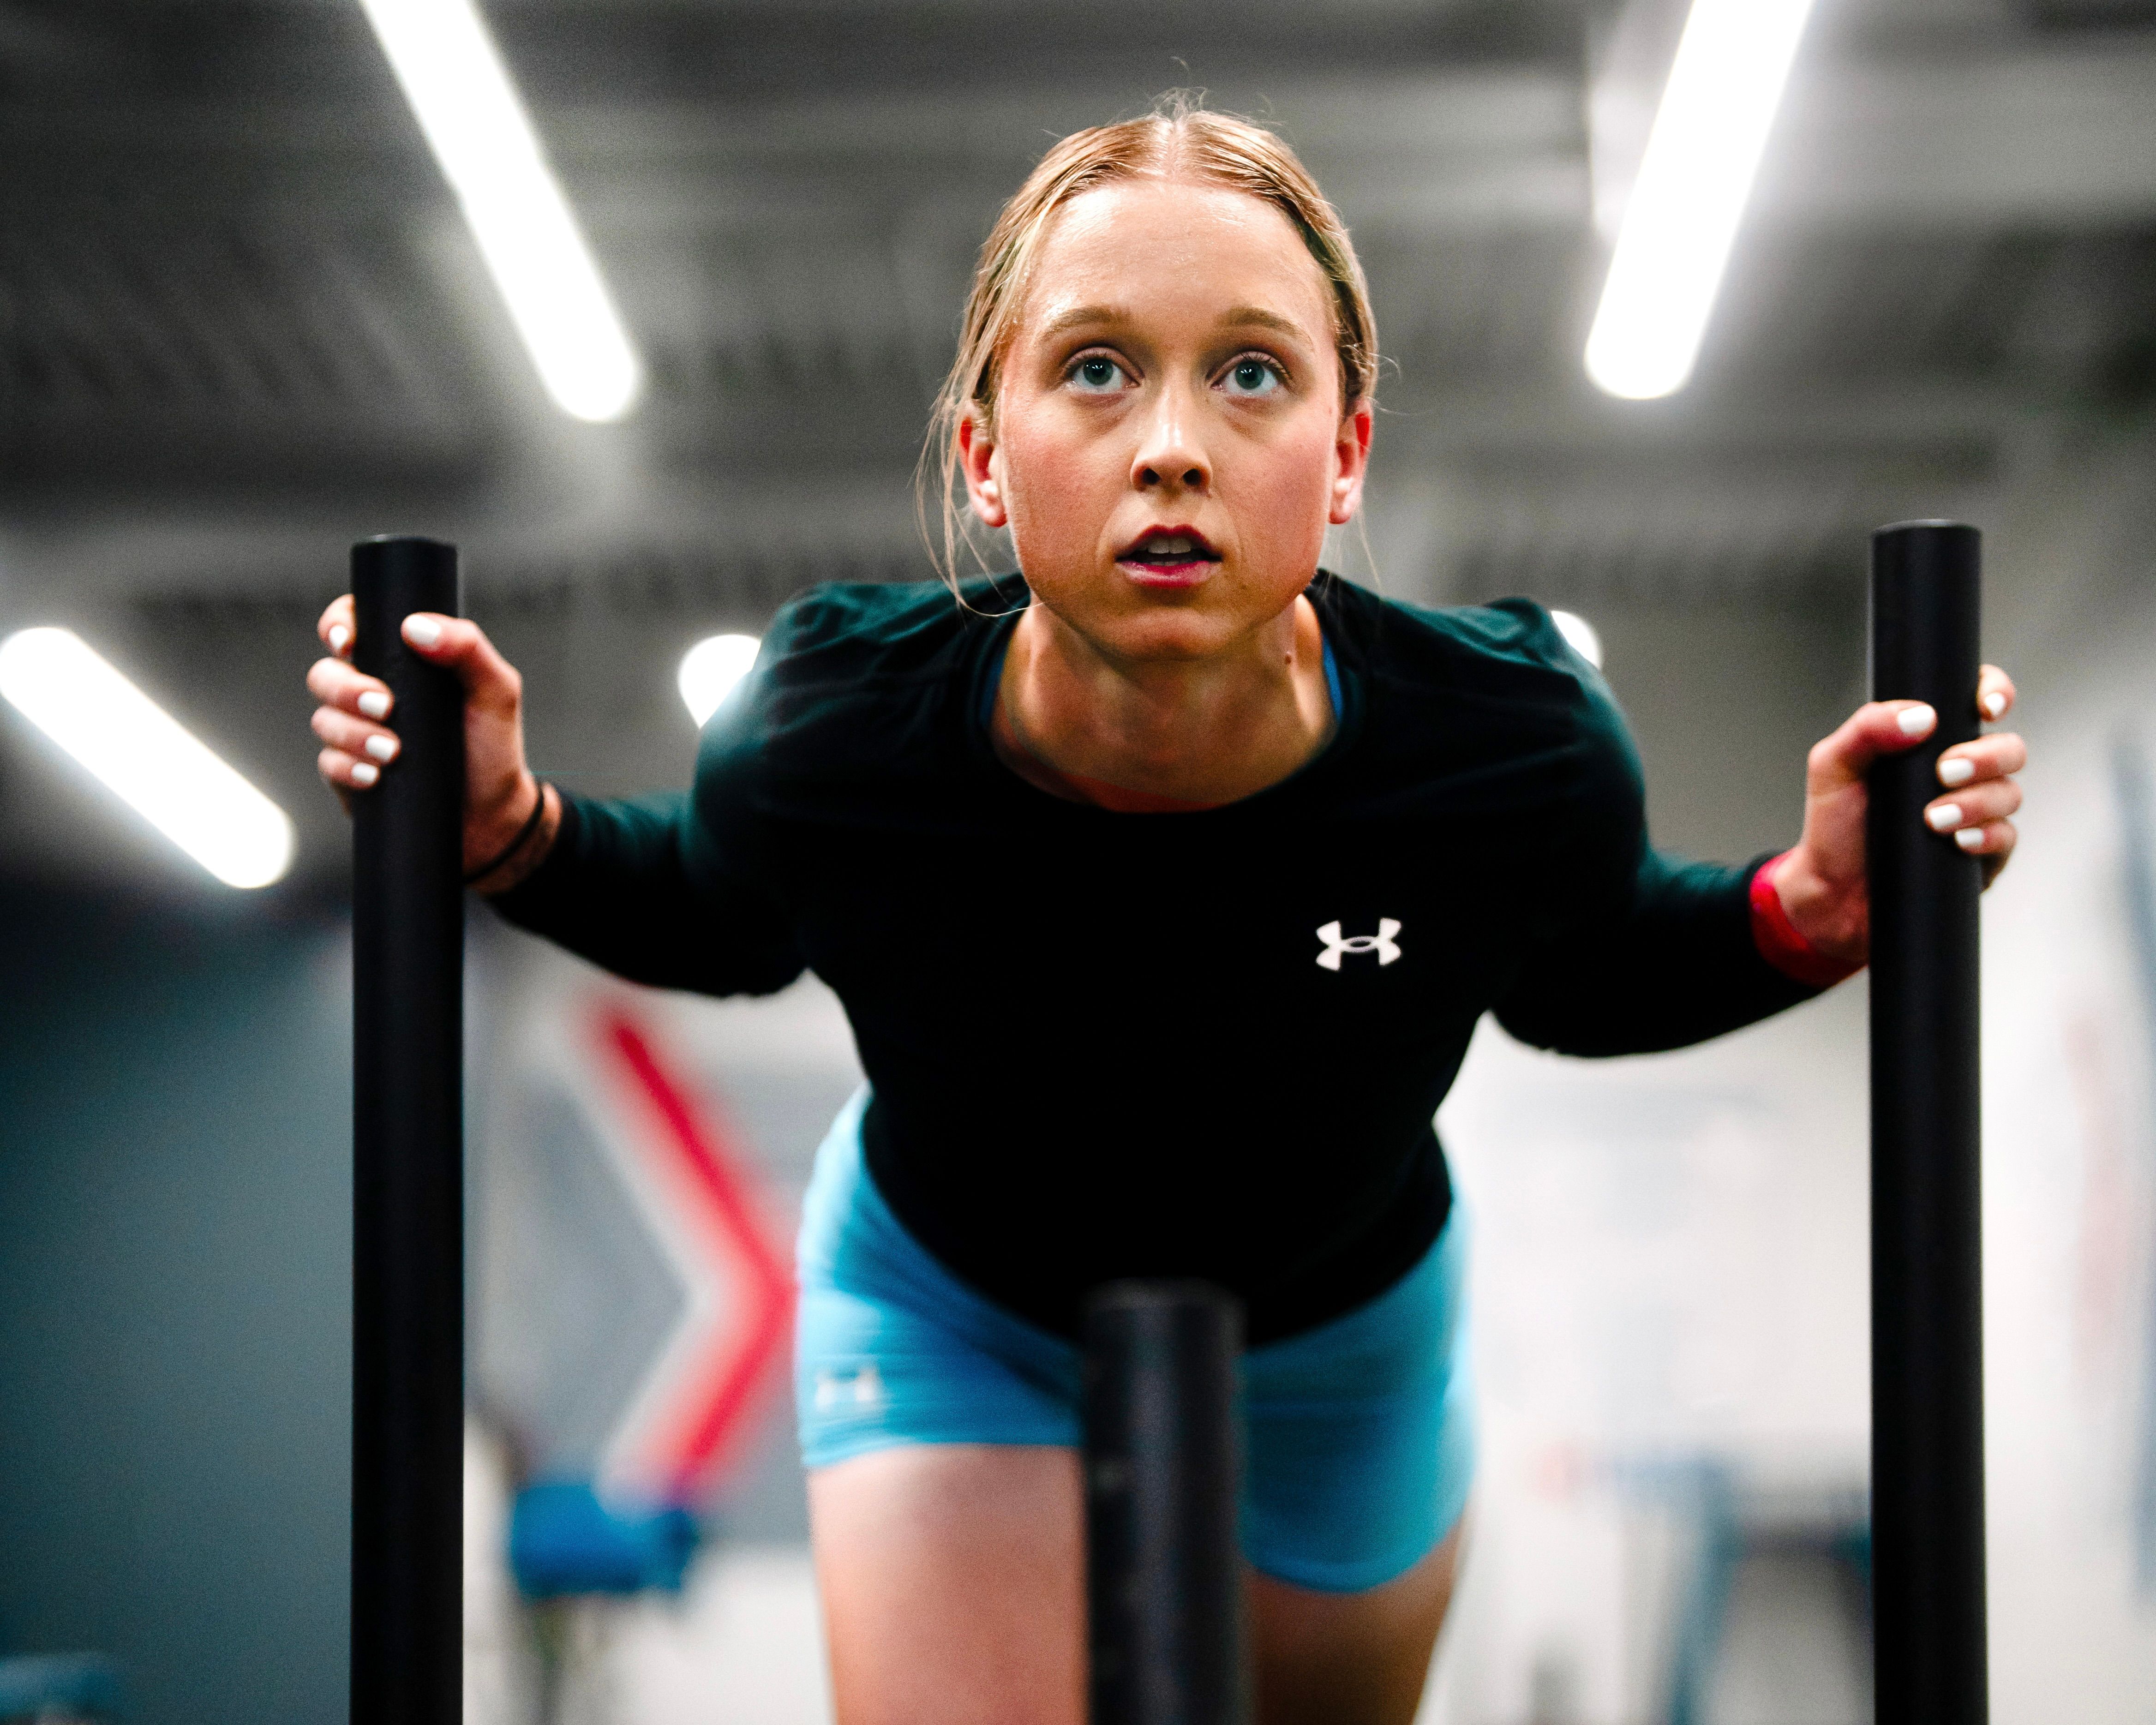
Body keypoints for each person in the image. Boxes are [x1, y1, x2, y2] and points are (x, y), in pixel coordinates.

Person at [305, 100, 2024, 1725]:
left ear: (1345, 456)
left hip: (1344, 1337)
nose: (1175, 449)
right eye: (1097, 369)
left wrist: (1810, 906)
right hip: (952, 1309)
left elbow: (1587, 968)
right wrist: (510, 828)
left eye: (1253, 374)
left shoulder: (1509, 743)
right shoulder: (832, 724)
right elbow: (714, 908)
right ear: (987, 456)